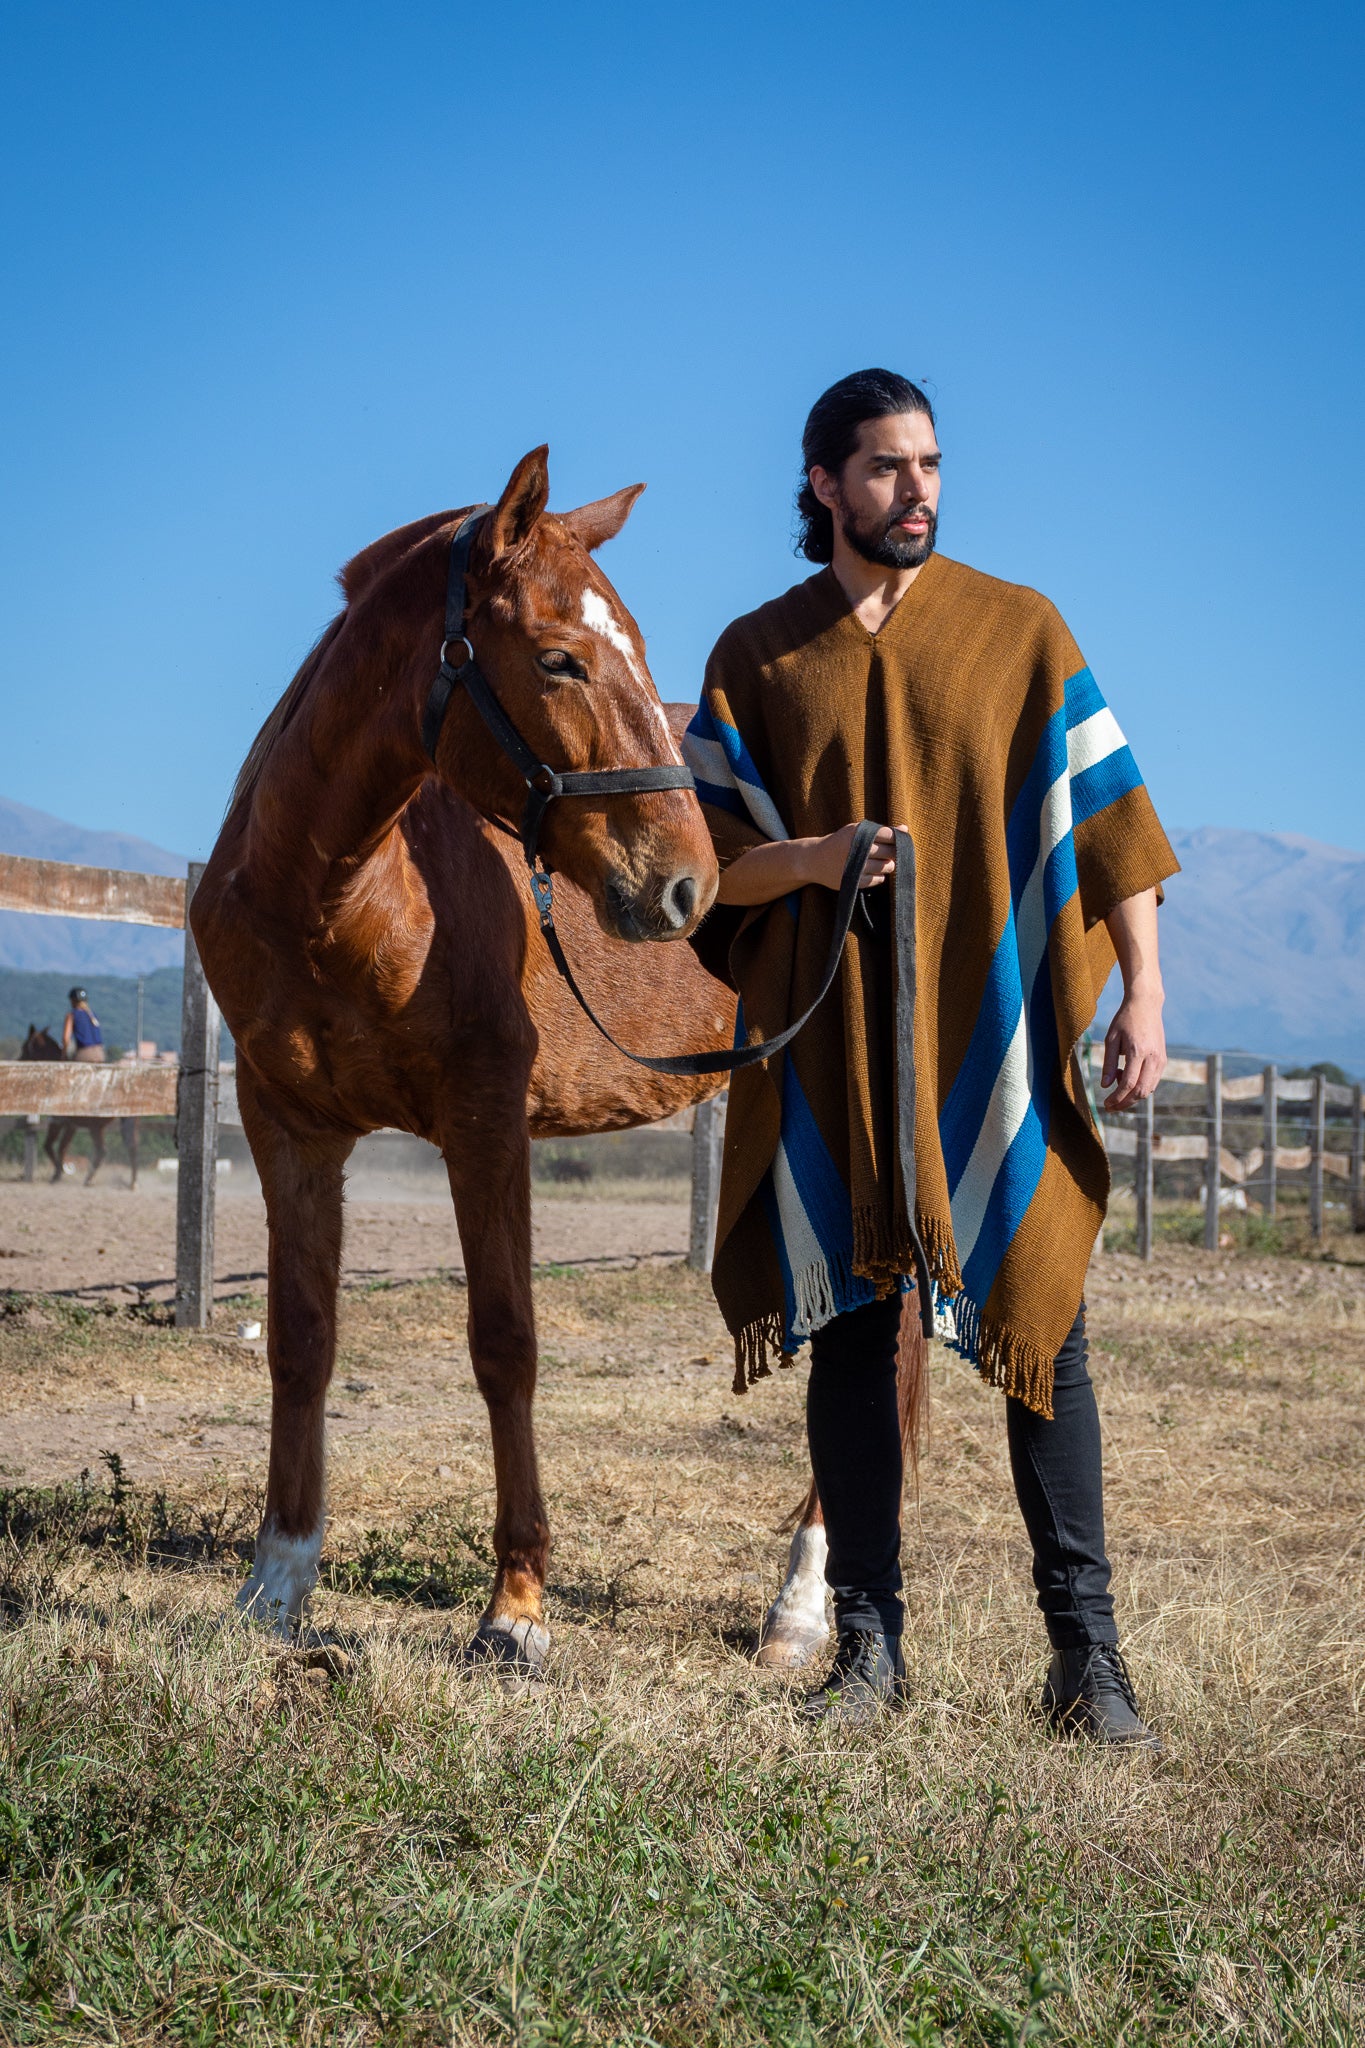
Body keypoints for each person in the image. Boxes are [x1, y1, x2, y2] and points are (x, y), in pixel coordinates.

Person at [683, 368, 1177, 1744]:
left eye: (933, 465)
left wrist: (1142, 991)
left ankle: (1087, 1664)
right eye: (889, 468)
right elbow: (709, 871)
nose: (919, 491)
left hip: (993, 1034)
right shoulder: (757, 656)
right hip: (836, 1043)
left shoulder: (1017, 631)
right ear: (824, 485)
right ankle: (868, 1649)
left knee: (1044, 1334)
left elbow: (1108, 816)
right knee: (848, 1341)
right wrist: (823, 857)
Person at [62, 987, 105, 1063]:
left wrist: (63, 1054)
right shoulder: (92, 1015)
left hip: (84, 1053)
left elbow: (66, 1039)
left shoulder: (72, 1015)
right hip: (100, 1053)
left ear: (72, 1000)